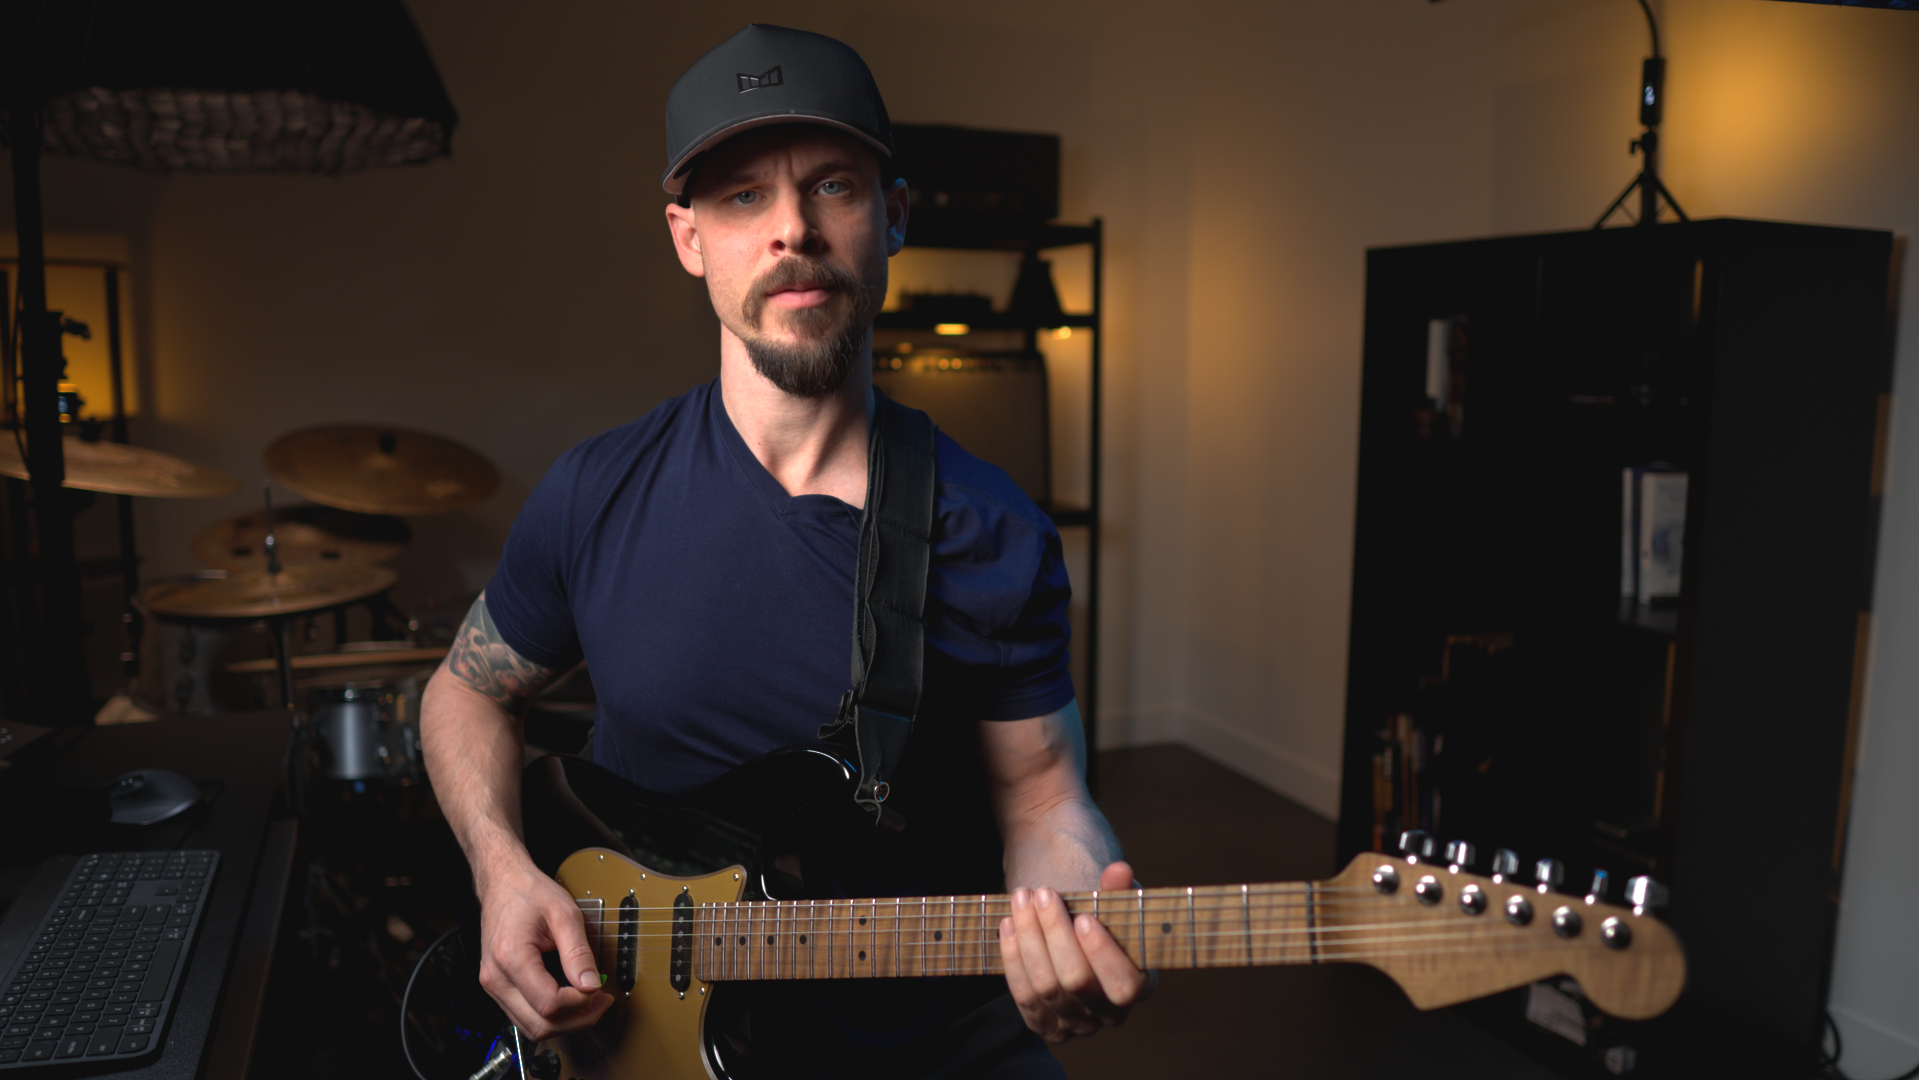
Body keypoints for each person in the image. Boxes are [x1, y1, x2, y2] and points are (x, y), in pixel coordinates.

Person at [420, 23, 1147, 1078]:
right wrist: (501, 872)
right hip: (643, 1042)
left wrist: (1074, 914)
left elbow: (1041, 795)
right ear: (687, 238)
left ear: (891, 216)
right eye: (741, 197)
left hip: (925, 1044)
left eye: (834, 187)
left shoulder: (989, 530)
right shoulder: (594, 493)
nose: (791, 230)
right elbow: (464, 692)